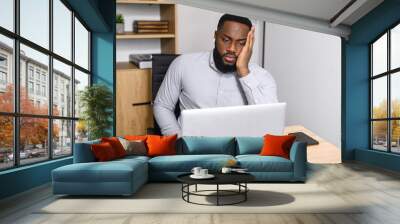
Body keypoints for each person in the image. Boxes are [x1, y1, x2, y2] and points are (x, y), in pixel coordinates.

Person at [154, 14, 278, 136]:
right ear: (215, 35)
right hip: (191, 149)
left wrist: (244, 71)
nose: (232, 49)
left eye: (241, 43)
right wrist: (177, 140)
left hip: (235, 152)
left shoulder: (262, 77)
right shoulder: (183, 64)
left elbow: (268, 123)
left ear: (249, 45)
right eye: (226, 40)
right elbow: (162, 106)